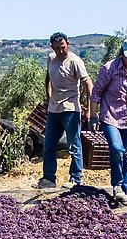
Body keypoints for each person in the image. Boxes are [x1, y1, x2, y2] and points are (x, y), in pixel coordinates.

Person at [91, 37, 127, 204]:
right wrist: (93, 116)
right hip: (111, 116)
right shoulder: (109, 69)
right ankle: (116, 185)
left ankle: (124, 189)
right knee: (117, 149)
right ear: (122, 53)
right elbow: (96, 93)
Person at [38, 32, 94, 190]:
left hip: (71, 109)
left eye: (63, 47)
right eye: (57, 48)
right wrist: (49, 97)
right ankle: (49, 178)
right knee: (49, 145)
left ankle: (76, 178)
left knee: (74, 145)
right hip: (54, 110)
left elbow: (88, 84)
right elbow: (48, 78)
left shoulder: (75, 61)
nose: (60, 51)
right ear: (52, 48)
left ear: (67, 44)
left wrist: (90, 110)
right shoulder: (51, 59)